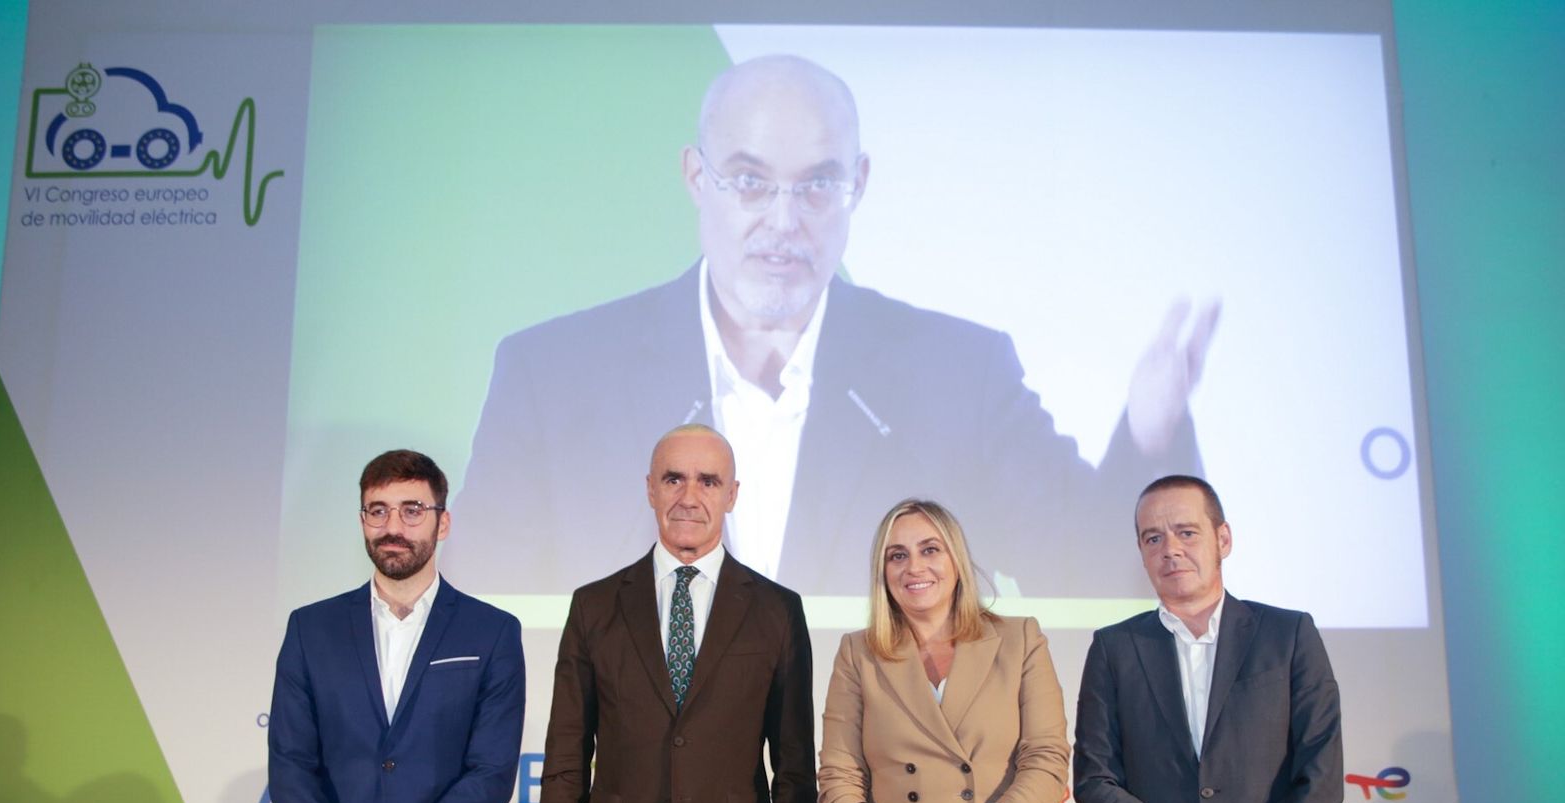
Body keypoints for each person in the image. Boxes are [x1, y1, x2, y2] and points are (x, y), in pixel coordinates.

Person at [448, 54, 1215, 599]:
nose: (784, 222)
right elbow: (481, 611)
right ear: (696, 178)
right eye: (750, 182)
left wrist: (1151, 435)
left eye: (817, 185)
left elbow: (1088, 571)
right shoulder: (553, 375)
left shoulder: (959, 374)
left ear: (859, 183)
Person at [538, 424, 816, 803]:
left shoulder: (777, 611)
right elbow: (565, 769)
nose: (689, 497)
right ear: (650, 489)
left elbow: (795, 778)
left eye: (708, 481)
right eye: (673, 479)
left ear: (732, 494)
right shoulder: (594, 607)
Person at [268, 450, 525, 803]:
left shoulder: (492, 632)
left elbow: (491, 773)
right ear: (362, 520)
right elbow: (290, 767)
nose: (393, 527)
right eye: (378, 511)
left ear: (442, 523)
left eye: (412, 510)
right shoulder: (311, 628)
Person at [1073, 475, 1343, 803]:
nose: (1170, 549)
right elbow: (1096, 782)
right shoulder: (1114, 648)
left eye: (1186, 532)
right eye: (1153, 538)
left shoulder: (1288, 634)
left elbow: (1321, 774)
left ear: (1223, 539)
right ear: (1141, 553)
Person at [819, 499, 1069, 803]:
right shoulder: (858, 653)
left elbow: (1046, 764)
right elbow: (839, 782)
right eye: (897, 555)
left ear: (956, 560)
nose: (914, 567)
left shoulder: (1020, 640)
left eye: (930, 550)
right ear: (882, 572)